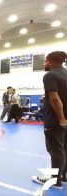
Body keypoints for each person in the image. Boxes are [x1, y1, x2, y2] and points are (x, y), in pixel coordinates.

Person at [32, 51, 67, 189]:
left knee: (55, 150)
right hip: (64, 120)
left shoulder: (50, 75)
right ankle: (63, 176)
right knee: (64, 148)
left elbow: (54, 98)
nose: (44, 64)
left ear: (50, 61)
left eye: (45, 61)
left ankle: (55, 181)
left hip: (56, 120)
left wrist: (62, 119)